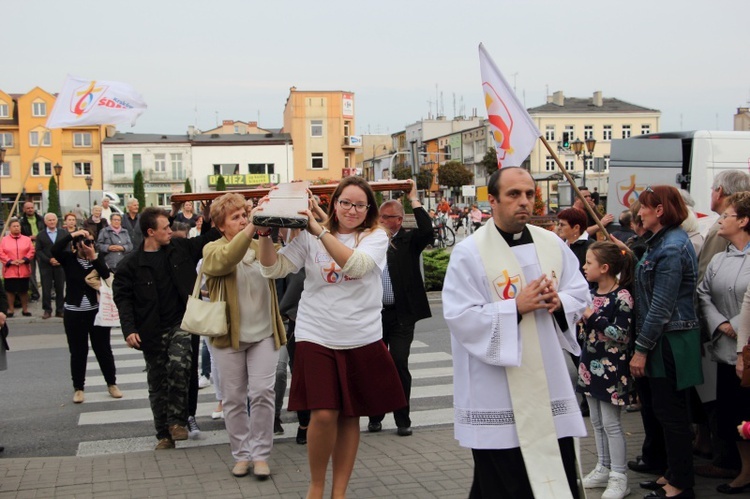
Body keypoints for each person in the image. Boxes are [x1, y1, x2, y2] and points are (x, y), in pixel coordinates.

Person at [443, 167, 590, 498]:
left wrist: (559, 300)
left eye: (529, 194)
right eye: (513, 194)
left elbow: (580, 293)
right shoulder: (470, 252)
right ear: (492, 200)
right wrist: (515, 307)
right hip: (497, 389)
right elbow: (459, 316)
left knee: (555, 474)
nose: (524, 201)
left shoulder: (551, 244)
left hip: (548, 383)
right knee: (500, 483)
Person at [257, 176, 406, 499]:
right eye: (345, 202)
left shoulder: (375, 236)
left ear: (369, 210)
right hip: (316, 333)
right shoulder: (311, 237)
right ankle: (316, 486)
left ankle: (339, 492)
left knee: (350, 415)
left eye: (359, 205)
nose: (351, 210)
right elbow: (273, 269)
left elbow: (356, 266)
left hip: (361, 335)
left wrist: (320, 230)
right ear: (334, 203)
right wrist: (265, 234)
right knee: (323, 413)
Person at [113, 205, 220, 450]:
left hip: (180, 323)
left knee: (180, 365)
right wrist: (129, 329)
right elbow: (123, 299)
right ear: (151, 232)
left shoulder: (179, 249)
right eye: (165, 228)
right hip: (150, 330)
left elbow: (207, 240)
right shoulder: (130, 265)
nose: (170, 231)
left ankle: (177, 421)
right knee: (158, 381)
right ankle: (164, 434)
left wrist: (215, 214)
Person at [201, 193, 287, 478]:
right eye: (235, 217)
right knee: (234, 398)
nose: (242, 220)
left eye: (244, 214)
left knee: (263, 392)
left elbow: (275, 265)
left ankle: (261, 454)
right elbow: (226, 260)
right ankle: (241, 454)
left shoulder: (259, 243)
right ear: (221, 225)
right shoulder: (212, 249)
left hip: (263, 333)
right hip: (228, 336)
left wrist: (261, 230)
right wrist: (252, 225)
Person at [629, 185, 702, 499]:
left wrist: (641, 349)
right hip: (665, 337)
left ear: (659, 211)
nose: (639, 212)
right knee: (664, 410)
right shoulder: (660, 242)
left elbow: (661, 305)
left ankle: (681, 484)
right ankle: (672, 472)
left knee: (672, 414)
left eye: (644, 207)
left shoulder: (671, 246)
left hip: (670, 338)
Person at [694, 170, 750, 479]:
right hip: (726, 347)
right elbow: (704, 293)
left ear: (742, 221)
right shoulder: (720, 259)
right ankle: (743, 468)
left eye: (727, 216)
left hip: (747, 346)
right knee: (733, 414)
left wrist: (736, 324)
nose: (720, 220)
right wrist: (720, 324)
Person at [368, 180, 433, 437]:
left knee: (398, 362)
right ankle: (375, 416)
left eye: (388, 217)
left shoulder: (408, 239)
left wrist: (414, 199)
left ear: (399, 219)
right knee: (375, 366)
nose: (382, 220)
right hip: (374, 315)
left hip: (402, 315)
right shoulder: (370, 240)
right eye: (381, 216)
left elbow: (428, 230)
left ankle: (402, 418)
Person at [578, 241, 635, 499]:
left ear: (604, 267)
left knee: (612, 423)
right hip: (590, 363)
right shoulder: (590, 293)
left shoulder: (622, 296)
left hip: (613, 369)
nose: (584, 266)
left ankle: (619, 476)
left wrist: (591, 317)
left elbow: (621, 334)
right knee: (598, 422)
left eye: (589, 263)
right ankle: (603, 466)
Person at [52, 228, 122, 404]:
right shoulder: (69, 260)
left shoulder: (97, 261)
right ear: (75, 246)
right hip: (74, 313)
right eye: (84, 242)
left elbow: (106, 276)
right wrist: (72, 235)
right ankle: (79, 388)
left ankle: (111, 384)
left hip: (96, 313)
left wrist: (93, 257)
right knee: (78, 351)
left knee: (103, 349)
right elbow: (54, 250)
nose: (88, 245)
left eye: (91, 242)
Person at [0, 219, 35, 317]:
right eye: (14, 226)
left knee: (23, 290)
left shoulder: (27, 239)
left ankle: (25, 309)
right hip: (10, 270)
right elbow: (1, 252)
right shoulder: (4, 240)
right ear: (9, 228)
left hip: (23, 269)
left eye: (18, 226)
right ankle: (10, 310)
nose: (16, 228)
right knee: (10, 291)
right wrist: (10, 261)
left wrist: (24, 259)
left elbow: (31, 251)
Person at [35, 213, 67, 319]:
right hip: (46, 266)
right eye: (49, 220)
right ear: (45, 222)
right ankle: (47, 310)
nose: (52, 222)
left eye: (53, 220)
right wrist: (49, 260)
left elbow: (67, 248)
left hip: (60, 265)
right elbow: (38, 251)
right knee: (46, 288)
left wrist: (60, 259)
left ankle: (60, 310)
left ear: (56, 221)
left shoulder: (63, 233)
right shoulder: (41, 235)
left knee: (60, 287)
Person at [557, 207, 592, 275]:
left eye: (562, 225)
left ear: (576, 228)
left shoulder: (590, 247)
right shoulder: (562, 244)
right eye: (559, 224)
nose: (559, 228)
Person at [19, 201, 43, 302]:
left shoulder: (41, 219)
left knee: (44, 271)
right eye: (28, 208)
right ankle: (35, 294)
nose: (30, 209)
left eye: (31, 207)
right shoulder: (21, 222)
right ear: (24, 209)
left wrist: (39, 237)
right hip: (28, 249)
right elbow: (19, 236)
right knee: (31, 272)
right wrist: (29, 238)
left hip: (41, 248)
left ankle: (49, 292)